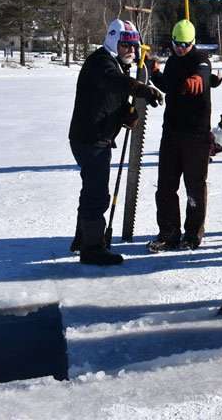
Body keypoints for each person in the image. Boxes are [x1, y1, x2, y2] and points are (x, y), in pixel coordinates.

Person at [68, 19, 162, 265]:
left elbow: (110, 96)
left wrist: (124, 113)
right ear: (112, 42)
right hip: (90, 138)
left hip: (97, 136)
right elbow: (115, 83)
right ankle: (92, 249)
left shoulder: (118, 65)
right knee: (97, 193)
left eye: (133, 45)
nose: (131, 50)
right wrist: (143, 90)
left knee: (92, 188)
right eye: (125, 45)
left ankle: (83, 239)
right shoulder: (101, 63)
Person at [147, 19, 221, 252]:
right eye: (176, 43)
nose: (180, 48)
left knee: (194, 187)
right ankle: (168, 233)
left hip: (196, 136)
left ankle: (192, 234)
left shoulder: (201, 59)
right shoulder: (173, 60)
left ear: (193, 42)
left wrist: (199, 80)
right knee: (166, 187)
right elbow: (170, 86)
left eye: (185, 44)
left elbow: (203, 75)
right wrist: (154, 72)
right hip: (171, 133)